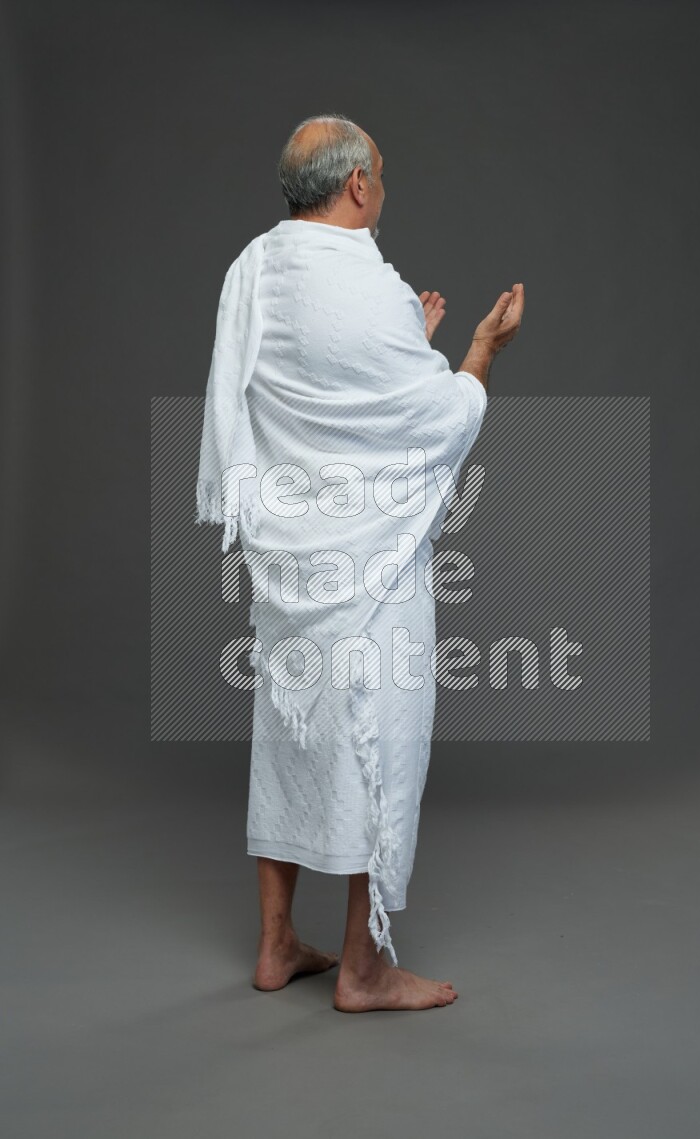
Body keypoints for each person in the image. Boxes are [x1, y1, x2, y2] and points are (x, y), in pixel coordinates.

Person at [196, 113, 523, 1012]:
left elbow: (314, 401)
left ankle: (275, 945)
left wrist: (406, 349)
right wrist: (476, 353)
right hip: (372, 566)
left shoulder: (253, 270)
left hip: (288, 566)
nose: (382, 187)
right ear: (357, 186)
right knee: (382, 739)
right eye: (380, 173)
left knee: (288, 740)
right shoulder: (373, 288)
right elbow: (431, 421)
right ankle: (364, 968)